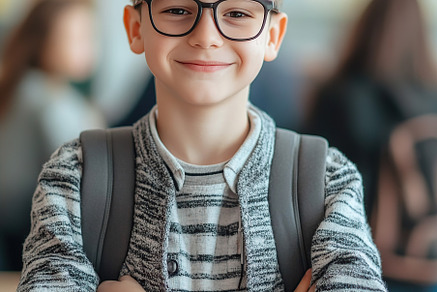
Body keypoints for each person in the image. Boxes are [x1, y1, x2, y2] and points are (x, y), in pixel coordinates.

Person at [17, 0, 386, 291]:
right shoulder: (75, 175)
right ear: (135, 28)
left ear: (273, 35)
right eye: (178, 10)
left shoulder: (326, 180)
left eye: (238, 12)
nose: (206, 35)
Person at [305, 0, 437, 290]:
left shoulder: (339, 96)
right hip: (429, 264)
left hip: (363, 261)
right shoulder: (435, 95)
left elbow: (306, 179)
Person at [0, 0, 105, 271]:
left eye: (91, 35)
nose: (90, 46)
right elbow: (86, 169)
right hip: (31, 224)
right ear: (43, 40)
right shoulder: (46, 101)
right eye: (77, 37)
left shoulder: (27, 87)